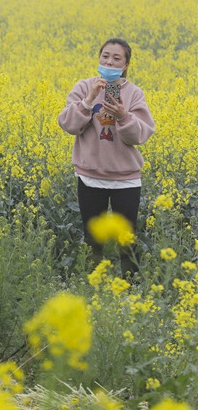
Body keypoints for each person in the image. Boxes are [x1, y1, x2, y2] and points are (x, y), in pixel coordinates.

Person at [57, 38, 155, 273]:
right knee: (92, 238)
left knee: (126, 239)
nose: (109, 61)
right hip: (90, 176)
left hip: (126, 179)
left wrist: (123, 115)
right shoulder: (83, 87)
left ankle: (131, 290)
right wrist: (89, 100)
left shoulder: (134, 94)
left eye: (116, 58)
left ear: (126, 64)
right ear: (99, 58)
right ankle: (93, 286)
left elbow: (138, 136)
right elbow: (68, 125)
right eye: (105, 56)